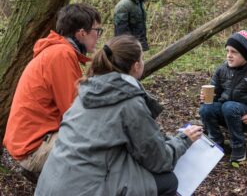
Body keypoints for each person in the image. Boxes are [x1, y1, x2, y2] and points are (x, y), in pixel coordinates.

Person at [34, 35, 203, 196]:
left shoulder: (88, 90)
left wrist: (164, 140)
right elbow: (159, 161)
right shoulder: (128, 100)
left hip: (51, 184)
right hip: (86, 188)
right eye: (142, 58)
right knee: (168, 182)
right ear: (136, 66)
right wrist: (183, 140)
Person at [3, 3, 102, 174]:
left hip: (30, 141)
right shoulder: (61, 55)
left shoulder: (57, 51)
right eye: (97, 31)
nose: (99, 36)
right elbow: (74, 111)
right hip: (34, 148)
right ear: (82, 33)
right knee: (104, 151)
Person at [199, 28, 247, 163]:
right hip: (226, 115)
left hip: (246, 118)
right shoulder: (222, 70)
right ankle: (216, 141)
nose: (229, 55)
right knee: (206, 108)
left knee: (229, 107)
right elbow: (215, 94)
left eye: (234, 52)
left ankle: (238, 147)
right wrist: (206, 98)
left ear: (246, 55)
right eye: (228, 51)